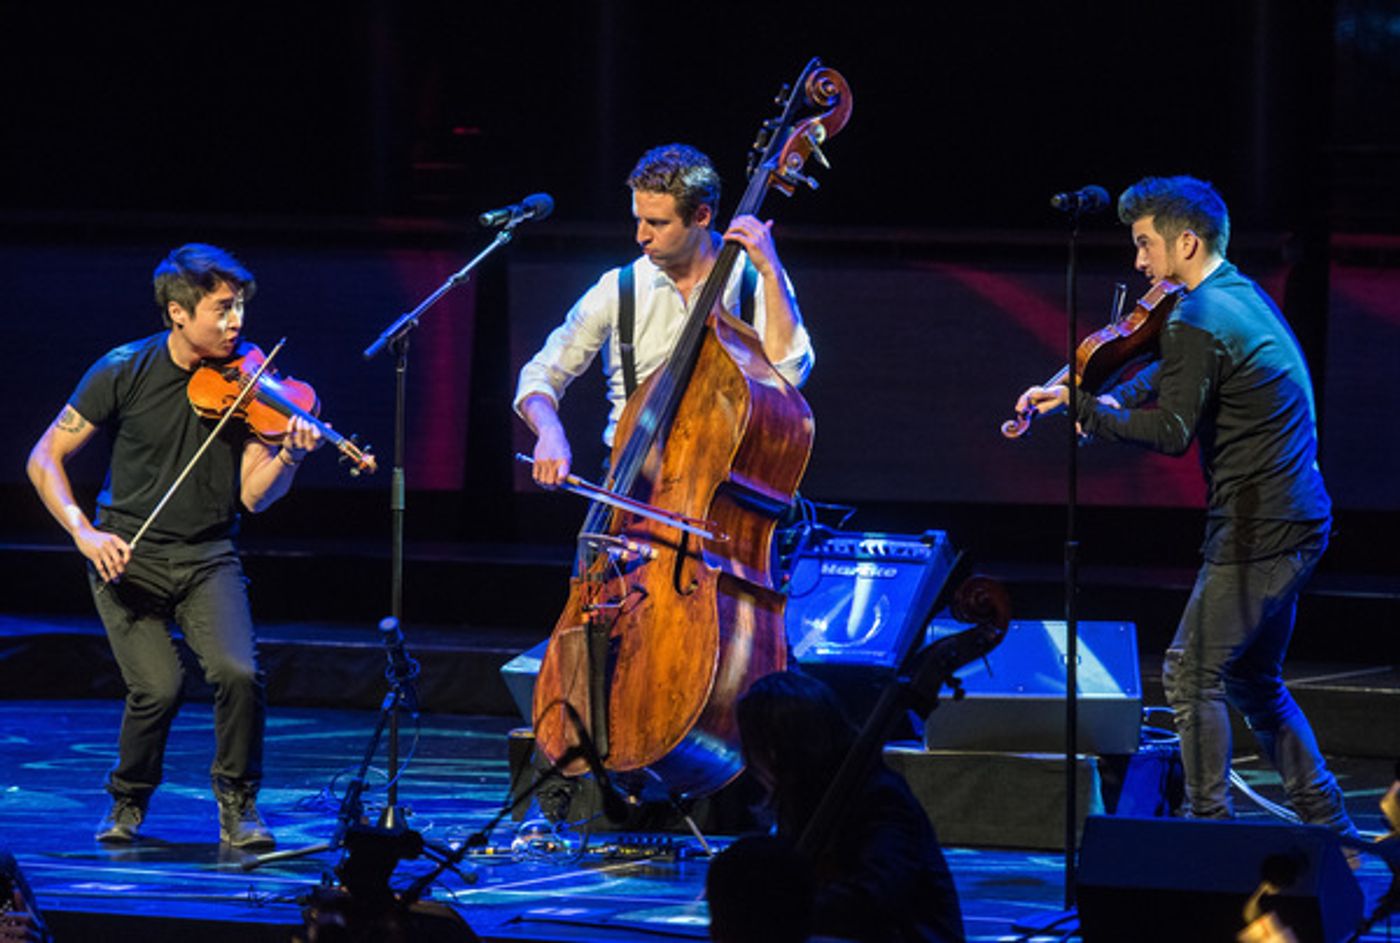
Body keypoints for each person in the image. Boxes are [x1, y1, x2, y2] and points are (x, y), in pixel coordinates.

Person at [1015, 176, 1356, 835]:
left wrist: (1089, 408)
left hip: (1262, 523)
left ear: (1187, 242)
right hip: (1295, 517)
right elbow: (1182, 374)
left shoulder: (1200, 314)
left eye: (1145, 244)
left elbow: (1172, 432)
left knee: (1189, 672)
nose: (1139, 262)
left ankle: (1208, 836)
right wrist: (1113, 398)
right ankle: (1333, 828)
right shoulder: (1237, 294)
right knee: (1254, 678)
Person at [26, 243, 323, 848]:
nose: (235, 321)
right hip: (126, 554)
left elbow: (253, 497)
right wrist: (85, 532)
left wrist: (289, 454)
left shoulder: (250, 382)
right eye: (221, 308)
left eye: (239, 306)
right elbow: (44, 457)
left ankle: (239, 806)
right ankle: (127, 801)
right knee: (157, 688)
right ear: (177, 312)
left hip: (207, 555)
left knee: (239, 673)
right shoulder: (121, 369)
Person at [515, 142, 814, 486]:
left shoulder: (754, 278)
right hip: (632, 483)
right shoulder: (619, 287)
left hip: (725, 483)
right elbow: (538, 376)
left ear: (701, 216)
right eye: (639, 219)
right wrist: (550, 431)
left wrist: (772, 272)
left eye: (657, 223)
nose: (641, 236)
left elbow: (789, 376)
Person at [735, 671, 965, 943]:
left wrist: (783, 914)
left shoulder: (878, 795)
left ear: (777, 750)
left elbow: (875, 894)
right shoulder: (808, 797)